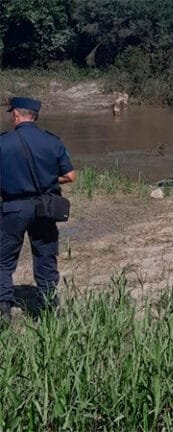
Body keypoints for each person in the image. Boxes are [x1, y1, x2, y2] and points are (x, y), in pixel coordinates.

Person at [0, 97, 76, 326]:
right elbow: (71, 176)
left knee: (3, 260)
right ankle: (48, 307)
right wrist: (47, 180)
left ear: (15, 115)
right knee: (45, 255)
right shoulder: (51, 141)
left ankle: (3, 307)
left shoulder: (3, 142)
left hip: (13, 208)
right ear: (35, 116)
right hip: (45, 207)